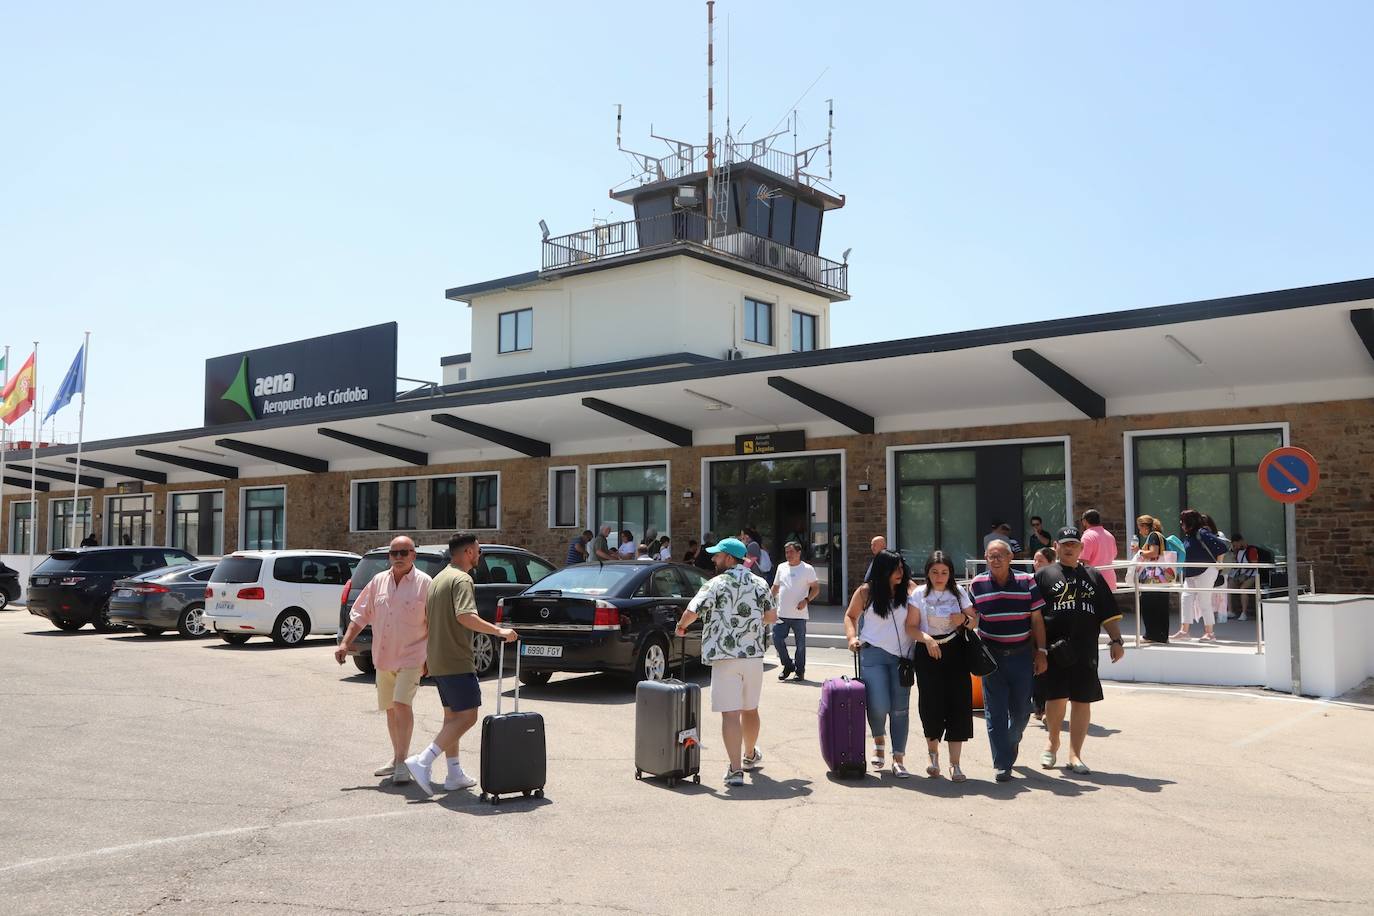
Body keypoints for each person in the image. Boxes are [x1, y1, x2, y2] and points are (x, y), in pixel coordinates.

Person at [404, 533, 519, 795]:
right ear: (468, 552)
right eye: (477, 551)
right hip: (456, 660)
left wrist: (426, 656)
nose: (479, 555)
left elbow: (429, 620)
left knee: (452, 718)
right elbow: (466, 616)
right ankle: (423, 761)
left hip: (438, 659)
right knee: (468, 716)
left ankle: (454, 773)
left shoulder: (438, 579)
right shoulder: (462, 579)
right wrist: (499, 631)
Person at [675, 537, 776, 788]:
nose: (713, 559)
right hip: (753, 656)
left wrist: (680, 627)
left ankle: (735, 770)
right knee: (750, 708)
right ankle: (750, 754)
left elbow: (692, 612)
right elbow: (771, 616)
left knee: (730, 714)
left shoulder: (716, 584)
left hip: (724, 656)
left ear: (730, 558)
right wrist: (749, 628)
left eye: (717, 555)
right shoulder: (760, 582)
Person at [335, 536, 433, 785]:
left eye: (404, 552)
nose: (398, 557)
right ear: (389, 556)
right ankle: (397, 757)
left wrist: (430, 657)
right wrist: (346, 643)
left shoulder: (425, 583)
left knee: (401, 705)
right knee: (390, 709)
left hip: (412, 656)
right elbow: (359, 615)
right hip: (384, 657)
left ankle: (402, 764)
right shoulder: (378, 581)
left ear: (413, 555)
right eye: (394, 553)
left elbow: (434, 624)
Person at [1035, 526, 1126, 775]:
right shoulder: (1044, 576)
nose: (1069, 548)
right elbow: (1034, 617)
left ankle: (1075, 754)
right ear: (1056, 546)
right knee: (1055, 698)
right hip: (1056, 649)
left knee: (1082, 700)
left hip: (1085, 648)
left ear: (1081, 548)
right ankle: (1052, 743)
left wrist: (1117, 641)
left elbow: (1108, 613)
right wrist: (1038, 649)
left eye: (1073, 544)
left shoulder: (1094, 576)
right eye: (1064, 544)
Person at [968, 539, 1047, 782]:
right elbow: (971, 617)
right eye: (992, 556)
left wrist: (1041, 651)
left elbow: (1036, 620)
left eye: (1001, 555)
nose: (996, 559)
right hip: (991, 657)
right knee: (995, 712)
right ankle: (1002, 763)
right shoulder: (977, 584)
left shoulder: (1026, 581)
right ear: (985, 557)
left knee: (1023, 710)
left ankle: (1012, 740)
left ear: (1011, 557)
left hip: (1022, 655)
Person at [905, 551, 976, 782]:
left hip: (956, 651)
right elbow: (911, 627)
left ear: (950, 574)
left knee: (958, 704)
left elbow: (974, 620)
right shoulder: (918, 594)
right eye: (935, 572)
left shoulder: (958, 592)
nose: (939, 576)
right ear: (927, 572)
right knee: (931, 704)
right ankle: (932, 755)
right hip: (928, 653)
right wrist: (926, 639)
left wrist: (963, 621)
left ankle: (955, 764)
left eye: (944, 572)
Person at [843, 549, 914, 778]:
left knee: (900, 709)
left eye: (902, 568)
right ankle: (879, 740)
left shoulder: (910, 589)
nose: (900, 573)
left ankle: (899, 758)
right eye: (895, 569)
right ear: (882, 569)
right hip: (873, 654)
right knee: (878, 705)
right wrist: (852, 637)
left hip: (903, 658)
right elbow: (850, 616)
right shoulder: (866, 592)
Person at [1173, 510, 1231, 641]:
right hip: (1191, 572)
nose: (1181, 525)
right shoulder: (1190, 535)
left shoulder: (1202, 532)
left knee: (1204, 601)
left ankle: (1209, 633)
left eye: (1183, 522)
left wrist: (1219, 563)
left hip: (1205, 571)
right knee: (1186, 599)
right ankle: (1184, 631)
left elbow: (1222, 546)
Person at [771, 540, 819, 681]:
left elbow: (816, 588)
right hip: (782, 613)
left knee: (800, 645)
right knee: (777, 639)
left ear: (799, 553)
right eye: (786, 552)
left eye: (791, 552)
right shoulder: (781, 567)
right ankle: (788, 665)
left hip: (799, 614)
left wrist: (806, 600)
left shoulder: (807, 569)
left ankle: (800, 670)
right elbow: (775, 587)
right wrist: (766, 602)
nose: (788, 555)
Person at [1133, 515, 1170, 643]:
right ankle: (1161, 635)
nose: (1139, 531)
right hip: (1162, 578)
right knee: (1161, 607)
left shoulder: (1153, 536)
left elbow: (1154, 553)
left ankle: (1152, 635)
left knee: (1149, 605)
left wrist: (1139, 551)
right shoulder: (1160, 535)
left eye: (1140, 527)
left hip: (1153, 578)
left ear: (1145, 526)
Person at [1079, 509, 1119, 592]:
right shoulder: (1109, 535)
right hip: (1110, 580)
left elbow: (1084, 560)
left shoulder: (1087, 536)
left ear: (1084, 521)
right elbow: (1114, 555)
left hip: (1094, 580)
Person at [1227, 533, 1261, 622]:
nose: (1235, 547)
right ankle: (1230, 610)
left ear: (1240, 541)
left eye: (1236, 545)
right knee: (1229, 585)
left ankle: (1244, 613)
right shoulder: (1238, 551)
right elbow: (1236, 564)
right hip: (1241, 575)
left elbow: (1255, 565)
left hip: (1252, 575)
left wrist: (1245, 574)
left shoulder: (1251, 550)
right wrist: (1233, 554)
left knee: (1243, 588)